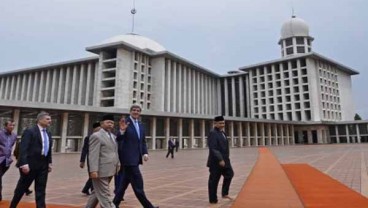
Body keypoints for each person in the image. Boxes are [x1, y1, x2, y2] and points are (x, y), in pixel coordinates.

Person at [113, 104, 159, 208]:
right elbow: (118, 138)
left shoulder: (141, 125)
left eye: (138, 111)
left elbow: (142, 141)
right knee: (138, 186)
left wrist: (145, 153)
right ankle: (149, 206)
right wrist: (122, 131)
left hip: (136, 159)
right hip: (128, 159)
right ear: (130, 111)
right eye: (134, 110)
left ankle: (114, 204)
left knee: (122, 186)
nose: (136, 112)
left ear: (140, 113)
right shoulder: (125, 123)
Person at [10, 111, 53, 208]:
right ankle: (13, 205)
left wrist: (49, 162)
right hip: (30, 164)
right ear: (40, 120)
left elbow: (48, 149)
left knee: (41, 190)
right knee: (21, 188)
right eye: (47, 119)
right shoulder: (30, 131)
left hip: (43, 165)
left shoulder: (48, 133)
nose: (50, 121)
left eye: (50, 119)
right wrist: (24, 163)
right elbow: (23, 148)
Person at [85, 114, 120, 208]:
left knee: (97, 192)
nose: (110, 124)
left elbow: (115, 152)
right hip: (100, 170)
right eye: (108, 122)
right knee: (105, 194)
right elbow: (93, 154)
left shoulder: (113, 136)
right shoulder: (96, 136)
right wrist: (93, 170)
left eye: (112, 123)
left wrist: (118, 164)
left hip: (110, 169)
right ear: (101, 123)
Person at [206, 116, 234, 204]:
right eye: (220, 123)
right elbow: (213, 148)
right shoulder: (213, 133)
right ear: (215, 123)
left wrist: (225, 159)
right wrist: (220, 159)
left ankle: (224, 193)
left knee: (229, 174)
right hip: (216, 161)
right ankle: (213, 199)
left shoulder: (223, 133)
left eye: (223, 123)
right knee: (214, 180)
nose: (223, 125)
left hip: (225, 160)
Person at [80, 122, 101, 195]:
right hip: (91, 159)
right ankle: (92, 190)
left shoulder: (101, 137)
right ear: (94, 128)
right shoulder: (88, 137)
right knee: (92, 175)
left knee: (95, 175)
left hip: (99, 159)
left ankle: (86, 189)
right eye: (98, 128)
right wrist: (82, 161)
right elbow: (84, 149)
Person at [0, 120, 17, 201]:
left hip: (7, 161)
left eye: (13, 125)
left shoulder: (14, 135)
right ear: (5, 126)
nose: (12, 127)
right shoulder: (0, 133)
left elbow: (11, 146)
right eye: (10, 125)